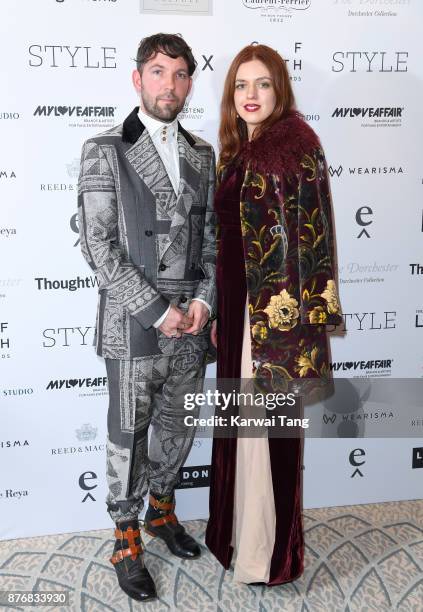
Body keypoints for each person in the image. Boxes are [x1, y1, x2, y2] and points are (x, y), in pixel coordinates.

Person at [78, 33, 216, 602]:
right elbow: (98, 246)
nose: (170, 84)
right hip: (136, 321)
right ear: (138, 78)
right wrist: (159, 311)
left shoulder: (202, 155)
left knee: (178, 427)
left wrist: (203, 303)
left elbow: (213, 244)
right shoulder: (105, 148)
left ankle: (162, 511)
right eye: (159, 72)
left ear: (190, 82)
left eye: (181, 74)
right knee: (127, 435)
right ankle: (125, 535)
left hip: (192, 324)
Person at [206, 44, 342, 585]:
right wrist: (222, 312)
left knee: (268, 434)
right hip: (240, 313)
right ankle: (243, 536)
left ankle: (270, 555)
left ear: (280, 89)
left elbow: (319, 238)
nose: (251, 95)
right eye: (241, 85)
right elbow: (231, 244)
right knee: (245, 432)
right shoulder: (238, 150)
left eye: (262, 84)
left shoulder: (295, 148)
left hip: (276, 323)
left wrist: (304, 324)